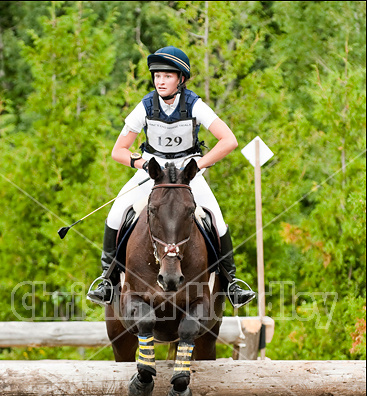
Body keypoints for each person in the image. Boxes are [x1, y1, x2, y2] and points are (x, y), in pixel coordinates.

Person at [87, 46, 255, 308]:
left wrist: (198, 165)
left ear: (181, 79)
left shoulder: (195, 105)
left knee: (215, 216)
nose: (160, 81)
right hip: (155, 174)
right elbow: (117, 151)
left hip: (187, 174)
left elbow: (229, 140)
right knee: (116, 212)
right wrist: (142, 164)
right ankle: (106, 281)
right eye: (157, 76)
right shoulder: (144, 107)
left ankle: (231, 282)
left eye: (167, 76)